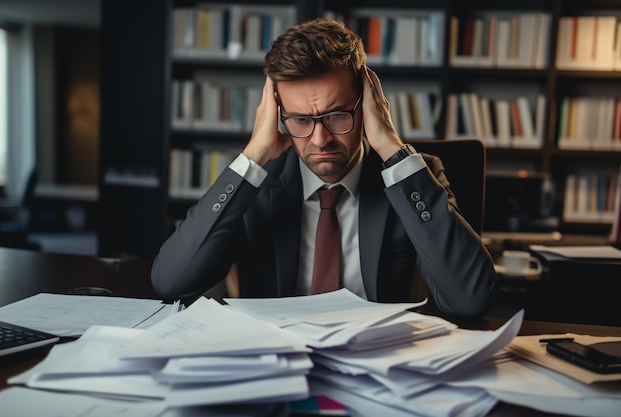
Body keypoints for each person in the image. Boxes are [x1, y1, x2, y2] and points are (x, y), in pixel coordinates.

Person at [152, 18, 496, 317]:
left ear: (367, 104)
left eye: (336, 115)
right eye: (300, 119)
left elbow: (469, 300)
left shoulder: (412, 180)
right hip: (276, 363)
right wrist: (254, 153)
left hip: (375, 367)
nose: (319, 140)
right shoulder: (255, 183)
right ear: (277, 113)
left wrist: (391, 146)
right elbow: (171, 283)